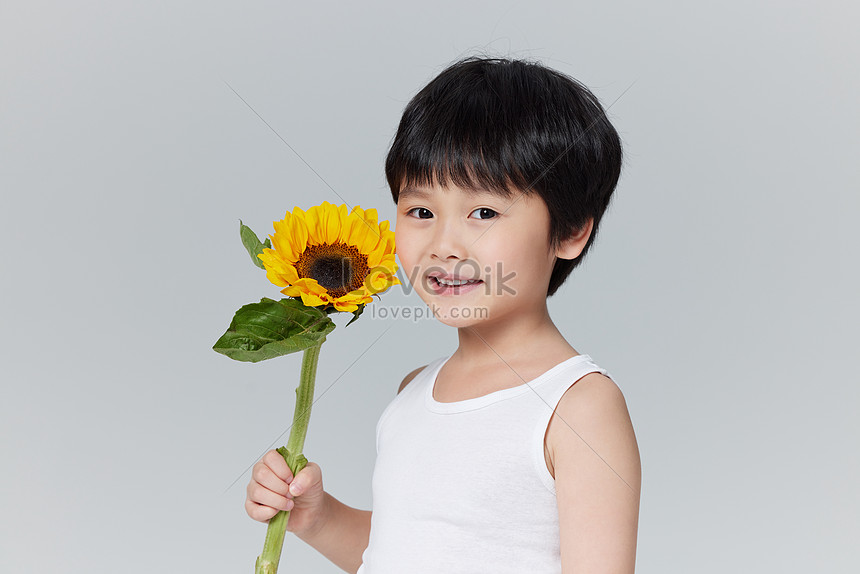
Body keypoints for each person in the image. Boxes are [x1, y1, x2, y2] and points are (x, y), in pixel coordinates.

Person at [245, 55, 641, 573]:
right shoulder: (414, 389)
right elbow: (410, 548)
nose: (444, 244)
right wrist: (317, 519)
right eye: (421, 212)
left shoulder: (578, 406)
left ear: (569, 232)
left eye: (483, 213)